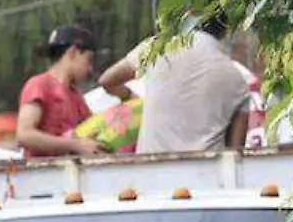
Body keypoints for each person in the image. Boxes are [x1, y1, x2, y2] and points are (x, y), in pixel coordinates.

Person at [99, 16, 252, 154]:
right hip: (205, 177)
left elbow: (107, 80)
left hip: (150, 172)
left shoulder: (157, 49)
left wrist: (128, 96)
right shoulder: (237, 80)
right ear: (225, 30)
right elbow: (235, 155)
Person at [16, 22, 104, 157]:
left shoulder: (76, 97)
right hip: (38, 173)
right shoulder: (39, 85)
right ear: (73, 52)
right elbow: (24, 135)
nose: (90, 69)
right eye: (89, 60)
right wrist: (75, 145)